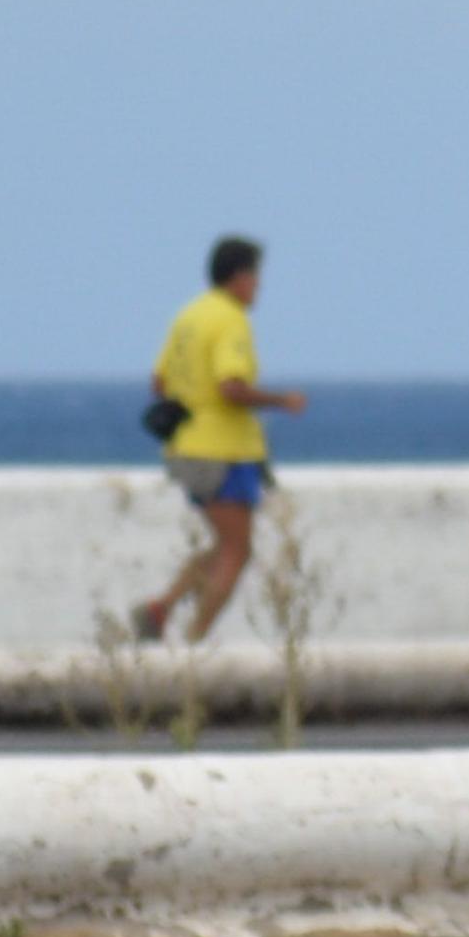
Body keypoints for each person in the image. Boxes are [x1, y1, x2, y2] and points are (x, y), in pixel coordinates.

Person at [133, 236, 307, 643]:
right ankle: (194, 640)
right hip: (223, 451)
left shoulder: (188, 316)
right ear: (241, 277)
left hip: (186, 448)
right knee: (237, 551)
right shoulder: (231, 319)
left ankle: (161, 609)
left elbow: (159, 381)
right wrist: (283, 400)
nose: (259, 288)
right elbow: (231, 386)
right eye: (256, 278)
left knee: (225, 543)